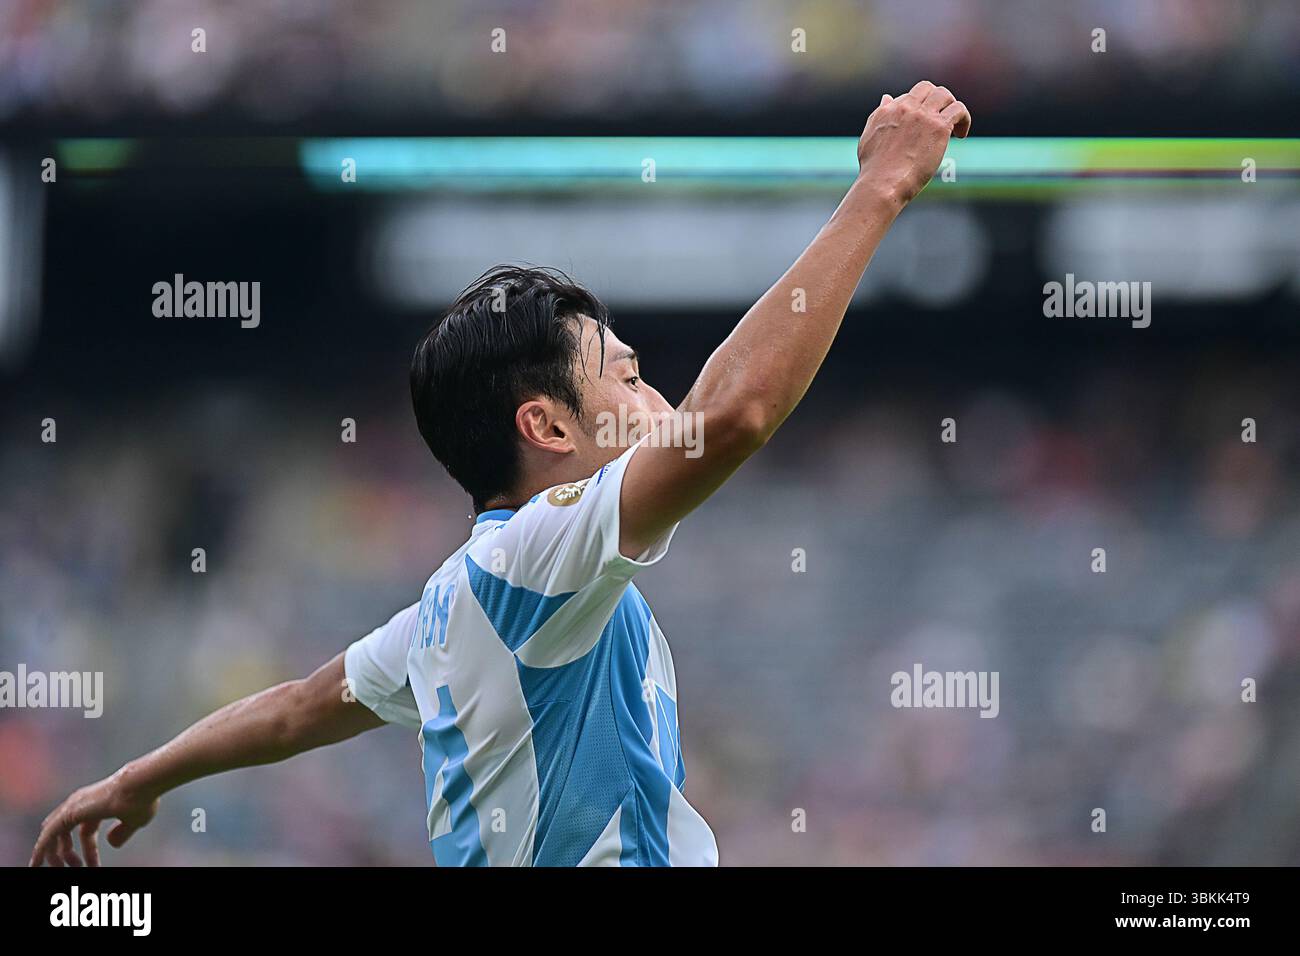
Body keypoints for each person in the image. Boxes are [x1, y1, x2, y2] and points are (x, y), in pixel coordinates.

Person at [30, 82, 970, 867]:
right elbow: (731, 419)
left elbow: (292, 711)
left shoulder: (454, 601)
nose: (657, 400)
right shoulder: (538, 555)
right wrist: (882, 187)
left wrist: (137, 778)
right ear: (547, 425)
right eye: (630, 377)